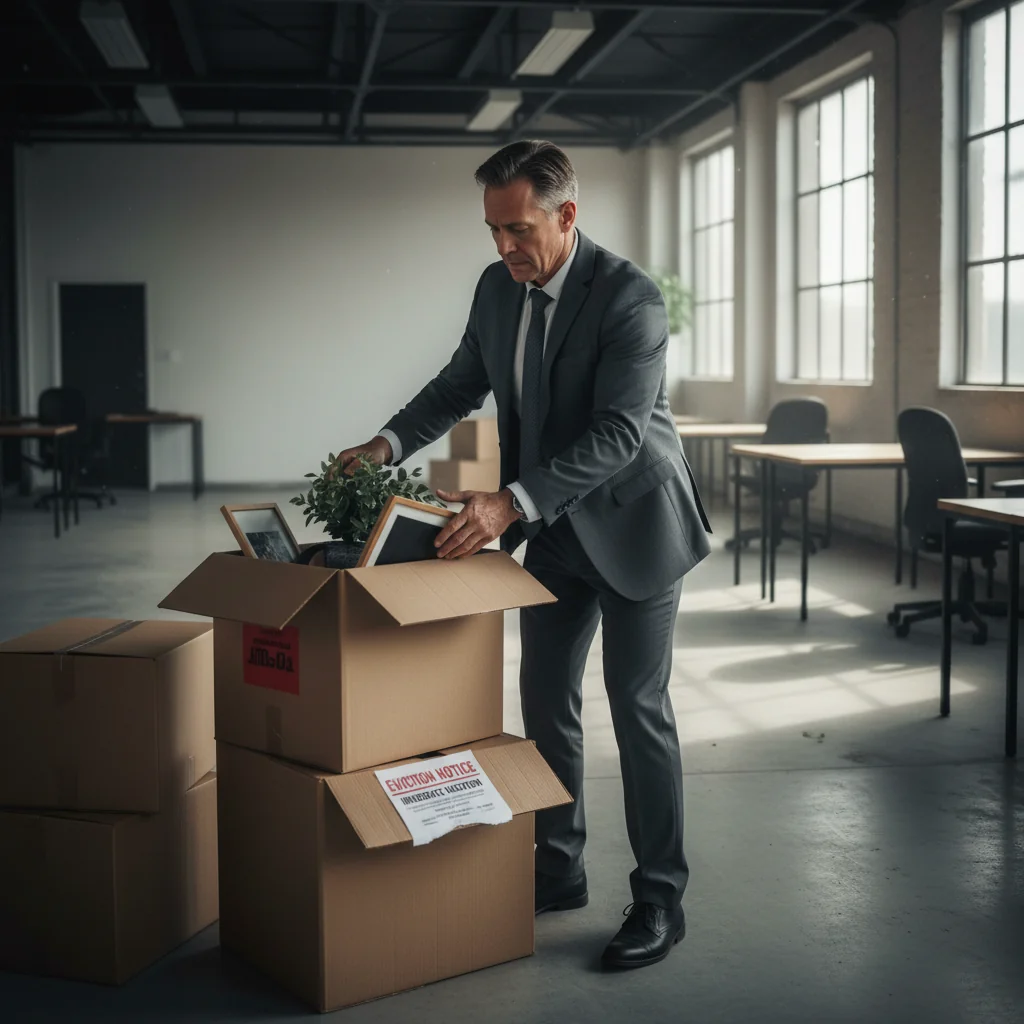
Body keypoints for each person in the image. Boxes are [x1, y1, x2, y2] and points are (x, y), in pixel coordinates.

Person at [335, 140, 711, 970]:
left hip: (636, 524)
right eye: (492, 230)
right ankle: (558, 866)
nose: (503, 246)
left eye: (517, 228)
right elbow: (458, 384)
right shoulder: (497, 289)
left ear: (565, 215)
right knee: (545, 701)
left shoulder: (630, 299)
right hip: (554, 532)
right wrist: (386, 442)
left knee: (636, 706)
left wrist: (509, 501)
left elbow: (618, 434)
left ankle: (660, 899)